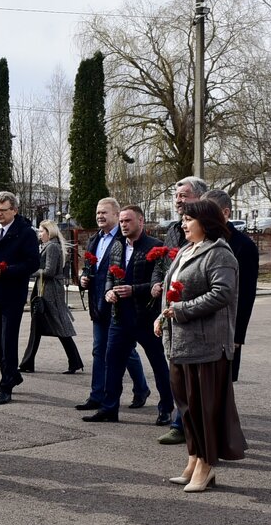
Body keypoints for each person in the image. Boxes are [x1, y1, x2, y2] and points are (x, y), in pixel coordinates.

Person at [155, 198, 246, 492]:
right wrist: (162, 316)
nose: (183, 224)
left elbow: (222, 294)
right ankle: (194, 458)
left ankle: (206, 465)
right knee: (187, 406)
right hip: (180, 342)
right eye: (183, 219)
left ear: (205, 222)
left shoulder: (220, 254)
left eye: (188, 219)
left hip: (207, 345)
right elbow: (172, 291)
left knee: (204, 407)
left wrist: (180, 310)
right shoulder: (185, 250)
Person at [83, 205, 174, 425]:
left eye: (128, 221)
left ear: (141, 221)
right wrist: (107, 292)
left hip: (145, 317)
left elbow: (158, 281)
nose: (123, 225)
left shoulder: (156, 247)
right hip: (119, 317)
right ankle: (109, 408)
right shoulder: (116, 246)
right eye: (122, 221)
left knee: (158, 364)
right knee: (112, 362)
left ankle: (166, 408)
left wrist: (134, 289)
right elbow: (109, 277)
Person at [76, 198, 150, 413]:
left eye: (104, 213)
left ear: (117, 216)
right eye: (98, 212)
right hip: (99, 304)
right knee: (100, 350)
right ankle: (96, 395)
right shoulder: (94, 240)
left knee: (123, 351)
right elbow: (89, 268)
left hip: (119, 304)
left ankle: (141, 388)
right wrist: (83, 279)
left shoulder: (124, 238)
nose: (100, 216)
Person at [152, 175, 208, 445]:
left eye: (184, 195)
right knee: (176, 370)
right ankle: (181, 421)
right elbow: (165, 265)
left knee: (199, 378)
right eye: (176, 196)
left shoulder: (213, 235)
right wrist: (157, 285)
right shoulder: (175, 229)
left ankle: (192, 428)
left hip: (197, 313)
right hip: (173, 309)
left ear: (200, 198)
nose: (179, 200)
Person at [0, 191, 40, 405]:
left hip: (12, 295)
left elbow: (33, 263)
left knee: (8, 341)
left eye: (3, 210)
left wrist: (6, 271)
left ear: (14, 210)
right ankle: (12, 373)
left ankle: (5, 385)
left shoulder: (25, 233)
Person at [202, 189, 259, 382]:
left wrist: (238, 336)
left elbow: (246, 293)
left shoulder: (243, 246)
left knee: (220, 386)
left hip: (227, 328)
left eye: (208, 211)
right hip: (201, 326)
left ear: (225, 213)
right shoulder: (200, 241)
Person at [18, 220, 84, 375]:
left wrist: (29, 271)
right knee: (36, 327)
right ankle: (28, 362)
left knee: (59, 326)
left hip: (50, 292)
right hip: (43, 290)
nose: (39, 234)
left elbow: (49, 271)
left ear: (49, 232)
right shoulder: (48, 246)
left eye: (41, 231)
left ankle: (75, 361)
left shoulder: (52, 246)